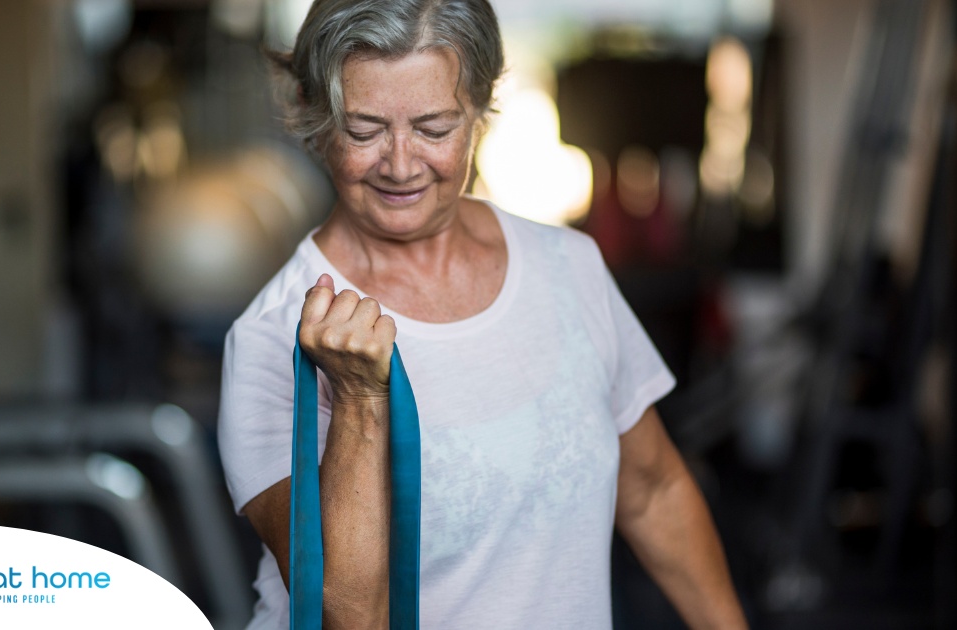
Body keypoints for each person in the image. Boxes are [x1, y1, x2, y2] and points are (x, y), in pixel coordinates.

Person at [217, 0, 748, 627]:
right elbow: (350, 614)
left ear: (481, 110)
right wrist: (360, 402)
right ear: (316, 116)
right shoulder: (272, 336)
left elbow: (653, 489)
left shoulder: (567, 265)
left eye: (435, 128)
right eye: (363, 130)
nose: (401, 163)